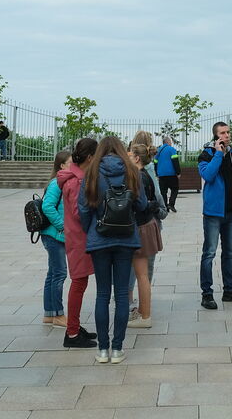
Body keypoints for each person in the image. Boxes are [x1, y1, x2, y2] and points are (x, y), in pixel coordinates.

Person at [78, 135, 148, 364]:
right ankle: (117, 349)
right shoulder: (132, 172)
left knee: (101, 295)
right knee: (121, 296)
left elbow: (83, 210)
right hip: (126, 238)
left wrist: (93, 231)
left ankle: (102, 350)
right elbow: (142, 205)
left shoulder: (91, 173)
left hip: (100, 238)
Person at [198, 122, 232, 309]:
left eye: (228, 132)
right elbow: (209, 176)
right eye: (222, 133)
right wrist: (218, 154)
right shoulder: (207, 155)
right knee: (209, 253)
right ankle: (207, 293)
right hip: (213, 213)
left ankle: (229, 290)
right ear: (216, 136)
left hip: (231, 211)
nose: (227, 135)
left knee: (229, 253)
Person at [59, 137, 98, 348]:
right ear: (90, 157)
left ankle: (74, 326)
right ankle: (72, 333)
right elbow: (79, 212)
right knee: (79, 282)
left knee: (79, 282)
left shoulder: (74, 176)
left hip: (76, 237)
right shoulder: (76, 181)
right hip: (79, 237)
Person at [127, 140, 164, 326]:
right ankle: (143, 312)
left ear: (136, 157)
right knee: (143, 273)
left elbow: (139, 204)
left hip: (140, 227)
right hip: (148, 225)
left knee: (141, 273)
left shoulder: (138, 177)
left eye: (129, 154)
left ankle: (144, 315)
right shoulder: (145, 175)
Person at [40, 150, 73, 328]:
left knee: (52, 273)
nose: (73, 165)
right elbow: (48, 206)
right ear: (61, 165)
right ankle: (58, 315)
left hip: (53, 234)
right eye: (70, 162)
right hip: (54, 235)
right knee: (59, 273)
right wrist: (62, 226)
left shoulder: (61, 182)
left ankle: (49, 313)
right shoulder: (56, 183)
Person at [155, 135, 181, 212]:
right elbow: (175, 161)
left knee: (163, 191)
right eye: (171, 142)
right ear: (168, 142)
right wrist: (178, 172)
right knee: (175, 189)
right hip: (171, 174)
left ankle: (165, 206)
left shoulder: (158, 151)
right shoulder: (171, 149)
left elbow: (155, 162)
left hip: (161, 175)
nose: (171, 143)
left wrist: (157, 173)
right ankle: (171, 204)